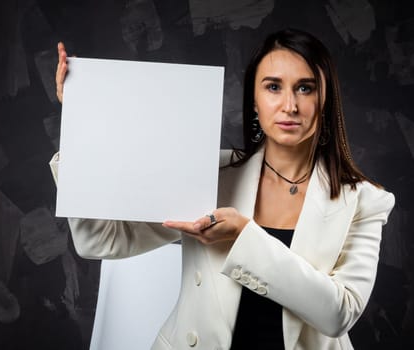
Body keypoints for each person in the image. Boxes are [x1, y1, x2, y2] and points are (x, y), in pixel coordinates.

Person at [50, 27, 395, 349]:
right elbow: (99, 239)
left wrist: (244, 236)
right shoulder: (209, 173)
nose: (290, 105)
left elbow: (338, 314)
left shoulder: (364, 200)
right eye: (273, 87)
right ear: (254, 102)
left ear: (326, 100)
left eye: (305, 88)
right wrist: (83, 121)